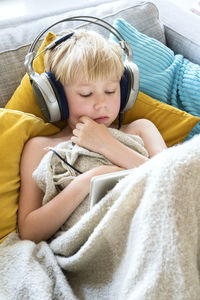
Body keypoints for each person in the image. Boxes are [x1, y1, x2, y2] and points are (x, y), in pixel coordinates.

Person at [18, 30, 167, 243]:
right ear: (56, 98)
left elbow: (171, 178)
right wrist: (89, 180)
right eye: (86, 94)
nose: (101, 104)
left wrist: (107, 144)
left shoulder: (141, 129)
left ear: (125, 91)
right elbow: (29, 232)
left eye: (110, 91)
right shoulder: (39, 147)